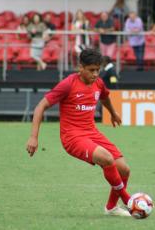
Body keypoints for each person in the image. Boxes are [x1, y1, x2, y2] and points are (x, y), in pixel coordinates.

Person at [26, 49, 131, 217]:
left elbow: (104, 97)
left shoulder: (98, 82)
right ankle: (129, 201)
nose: (95, 74)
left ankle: (111, 208)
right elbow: (41, 106)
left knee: (124, 169)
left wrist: (113, 113)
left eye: (98, 70)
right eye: (91, 70)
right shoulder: (68, 84)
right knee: (106, 158)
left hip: (91, 132)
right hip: (72, 137)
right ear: (80, 67)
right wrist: (33, 137)